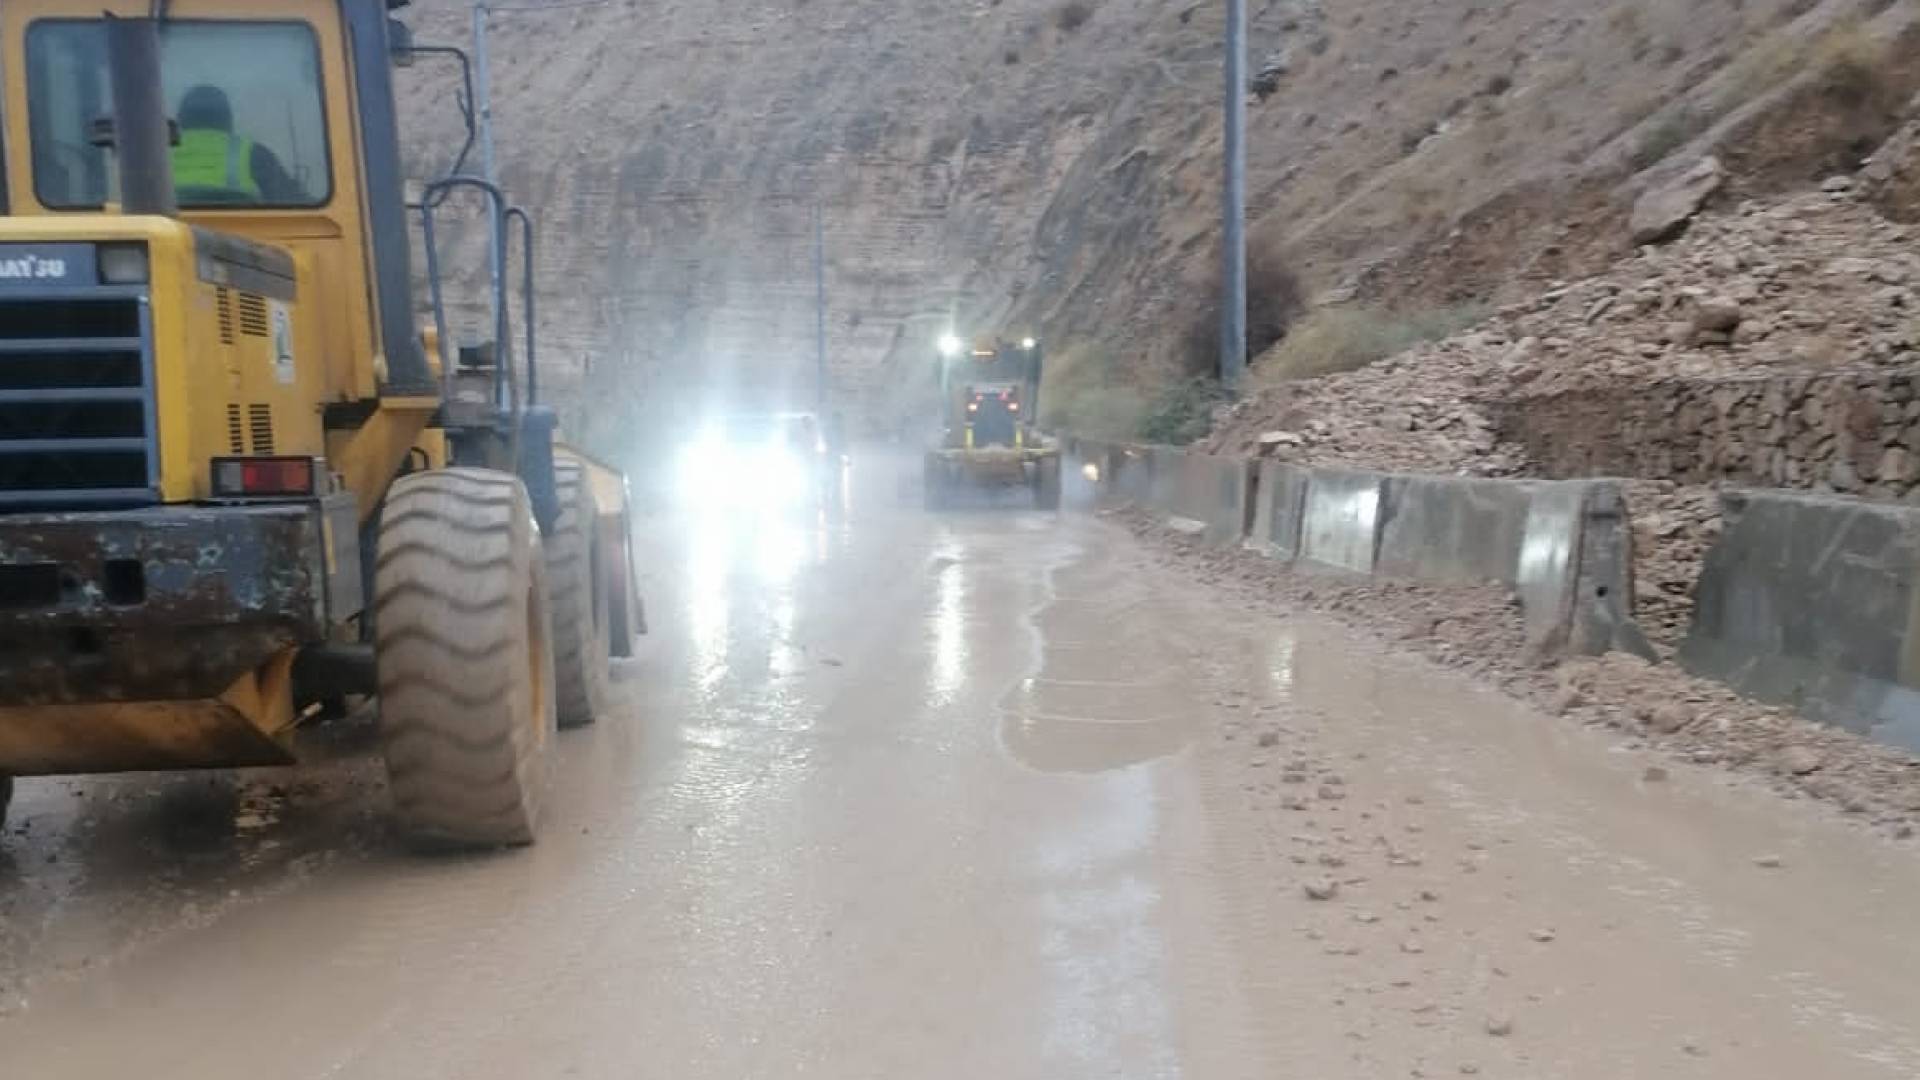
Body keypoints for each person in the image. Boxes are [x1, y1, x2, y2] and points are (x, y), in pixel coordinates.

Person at [171, 85, 301, 203]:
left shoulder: (157, 153)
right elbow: (291, 200)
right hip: (240, 228)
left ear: (181, 118)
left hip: (166, 227)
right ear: (227, 119)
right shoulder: (254, 152)